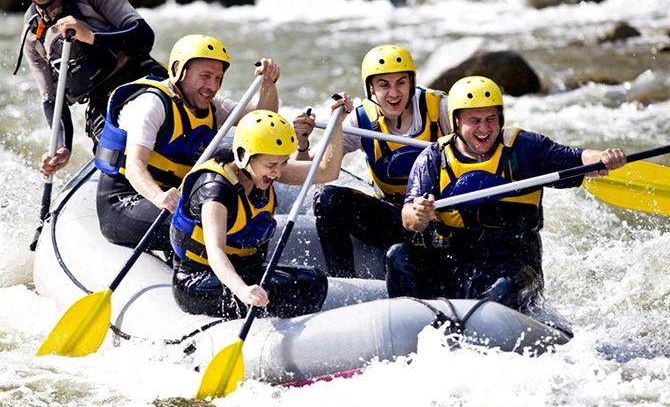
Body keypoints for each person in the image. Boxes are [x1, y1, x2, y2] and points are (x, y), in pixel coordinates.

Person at [385, 76, 627, 312]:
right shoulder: (434, 158)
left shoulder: (524, 148)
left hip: (514, 267)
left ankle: (484, 318)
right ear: (456, 121)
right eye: (474, 120)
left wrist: (603, 158)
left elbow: (579, 159)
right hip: (454, 264)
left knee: (501, 290)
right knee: (398, 256)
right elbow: (409, 218)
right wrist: (419, 213)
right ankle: (414, 318)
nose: (484, 129)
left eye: (491, 119)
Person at [94, 34, 280, 251]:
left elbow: (262, 121)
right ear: (178, 70)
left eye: (218, 78)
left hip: (174, 199)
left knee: (237, 215)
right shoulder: (151, 104)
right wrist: (159, 197)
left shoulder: (211, 105)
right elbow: (135, 166)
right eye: (205, 76)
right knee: (214, 223)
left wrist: (268, 84)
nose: (212, 86)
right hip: (125, 202)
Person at [170, 101, 352, 319]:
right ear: (244, 156)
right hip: (199, 280)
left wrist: (336, 124)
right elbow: (215, 252)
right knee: (279, 287)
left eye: (283, 163)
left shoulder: (263, 170)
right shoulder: (215, 190)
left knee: (313, 281)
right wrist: (242, 290)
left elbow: (327, 171)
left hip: (244, 271)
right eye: (271, 165)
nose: (278, 172)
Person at [5, 0, 167, 177]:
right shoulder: (33, 34)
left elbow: (143, 35)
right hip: (103, 107)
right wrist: (63, 147)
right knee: (114, 168)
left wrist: (91, 36)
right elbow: (52, 99)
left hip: (141, 81)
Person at [294, 44, 452, 278]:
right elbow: (309, 170)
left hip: (441, 219)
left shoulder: (441, 109)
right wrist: (302, 142)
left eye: (401, 82)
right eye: (384, 85)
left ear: (412, 82)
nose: (394, 93)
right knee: (328, 199)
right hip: (394, 218)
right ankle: (344, 280)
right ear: (371, 88)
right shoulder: (361, 120)